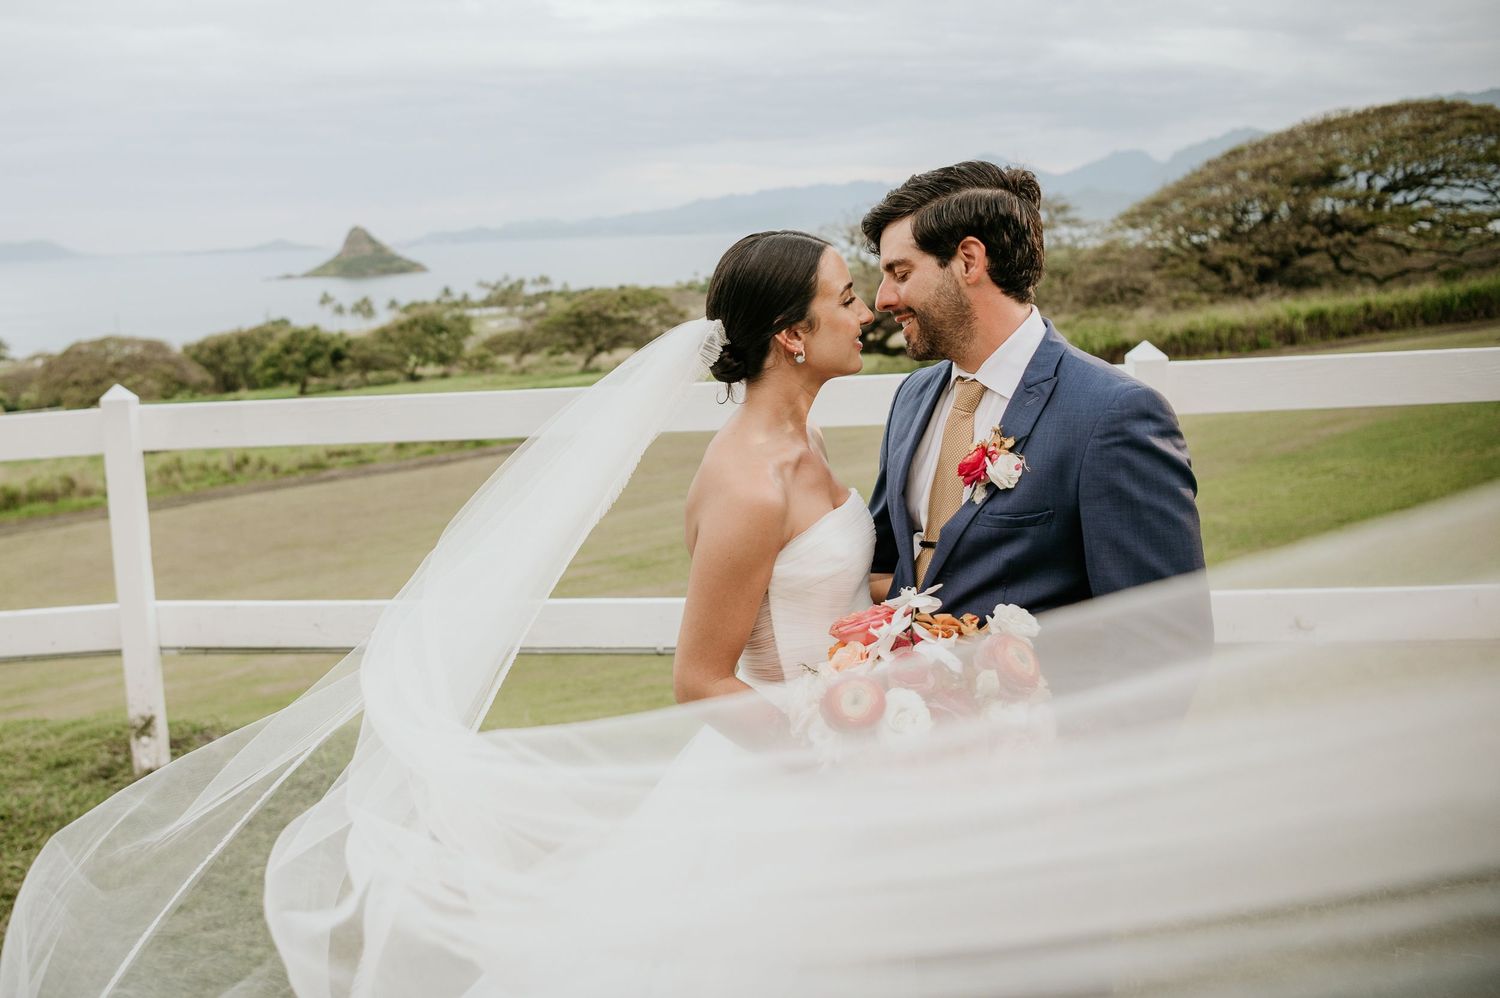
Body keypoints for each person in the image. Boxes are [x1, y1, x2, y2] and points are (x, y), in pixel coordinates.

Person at [862, 161, 1206, 620]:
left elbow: (1164, 631)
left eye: (900, 273)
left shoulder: (1112, 413)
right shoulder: (913, 397)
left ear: (969, 260)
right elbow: (888, 563)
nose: (882, 299)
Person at [672, 230, 877, 706]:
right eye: (846, 300)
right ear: (791, 334)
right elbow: (701, 683)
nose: (866, 313)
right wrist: (827, 756)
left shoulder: (809, 439)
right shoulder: (750, 489)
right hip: (799, 747)